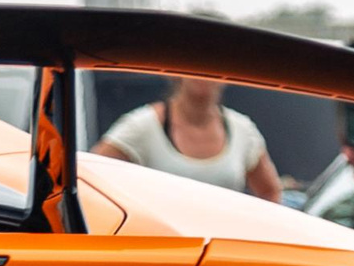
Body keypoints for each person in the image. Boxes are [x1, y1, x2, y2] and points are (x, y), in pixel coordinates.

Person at [92, 76, 284, 201]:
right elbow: (90, 175)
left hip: (224, 256)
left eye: (214, 60)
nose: (204, 74)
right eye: (198, 59)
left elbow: (270, 191)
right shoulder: (141, 125)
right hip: (161, 254)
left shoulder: (243, 129)